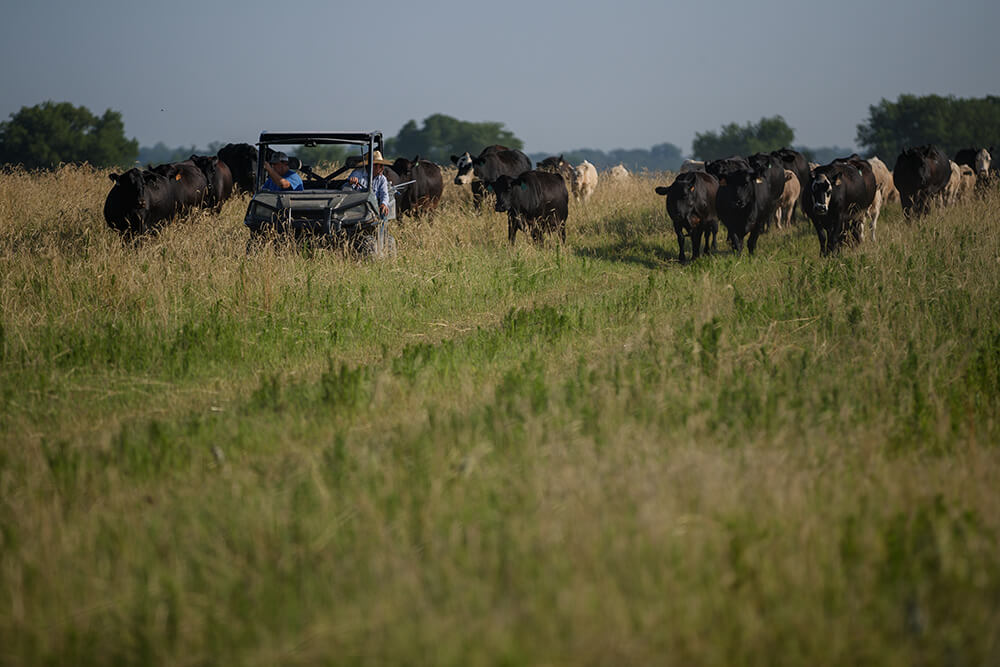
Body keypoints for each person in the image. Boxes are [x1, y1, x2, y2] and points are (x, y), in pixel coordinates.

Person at [345, 150, 393, 218]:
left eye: (381, 165)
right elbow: (345, 189)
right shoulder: (357, 174)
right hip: (357, 209)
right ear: (370, 165)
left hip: (373, 209)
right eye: (376, 165)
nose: (381, 168)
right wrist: (350, 183)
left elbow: (384, 194)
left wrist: (383, 204)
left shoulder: (382, 179)